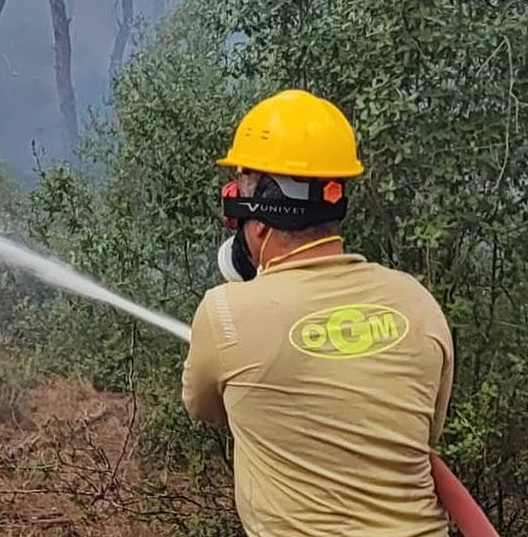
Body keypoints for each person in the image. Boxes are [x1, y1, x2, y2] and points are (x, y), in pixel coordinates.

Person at [181, 89, 454, 537]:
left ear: (260, 212)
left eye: (243, 182)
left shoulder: (225, 313)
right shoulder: (417, 302)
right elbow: (425, 429)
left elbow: (204, 407)